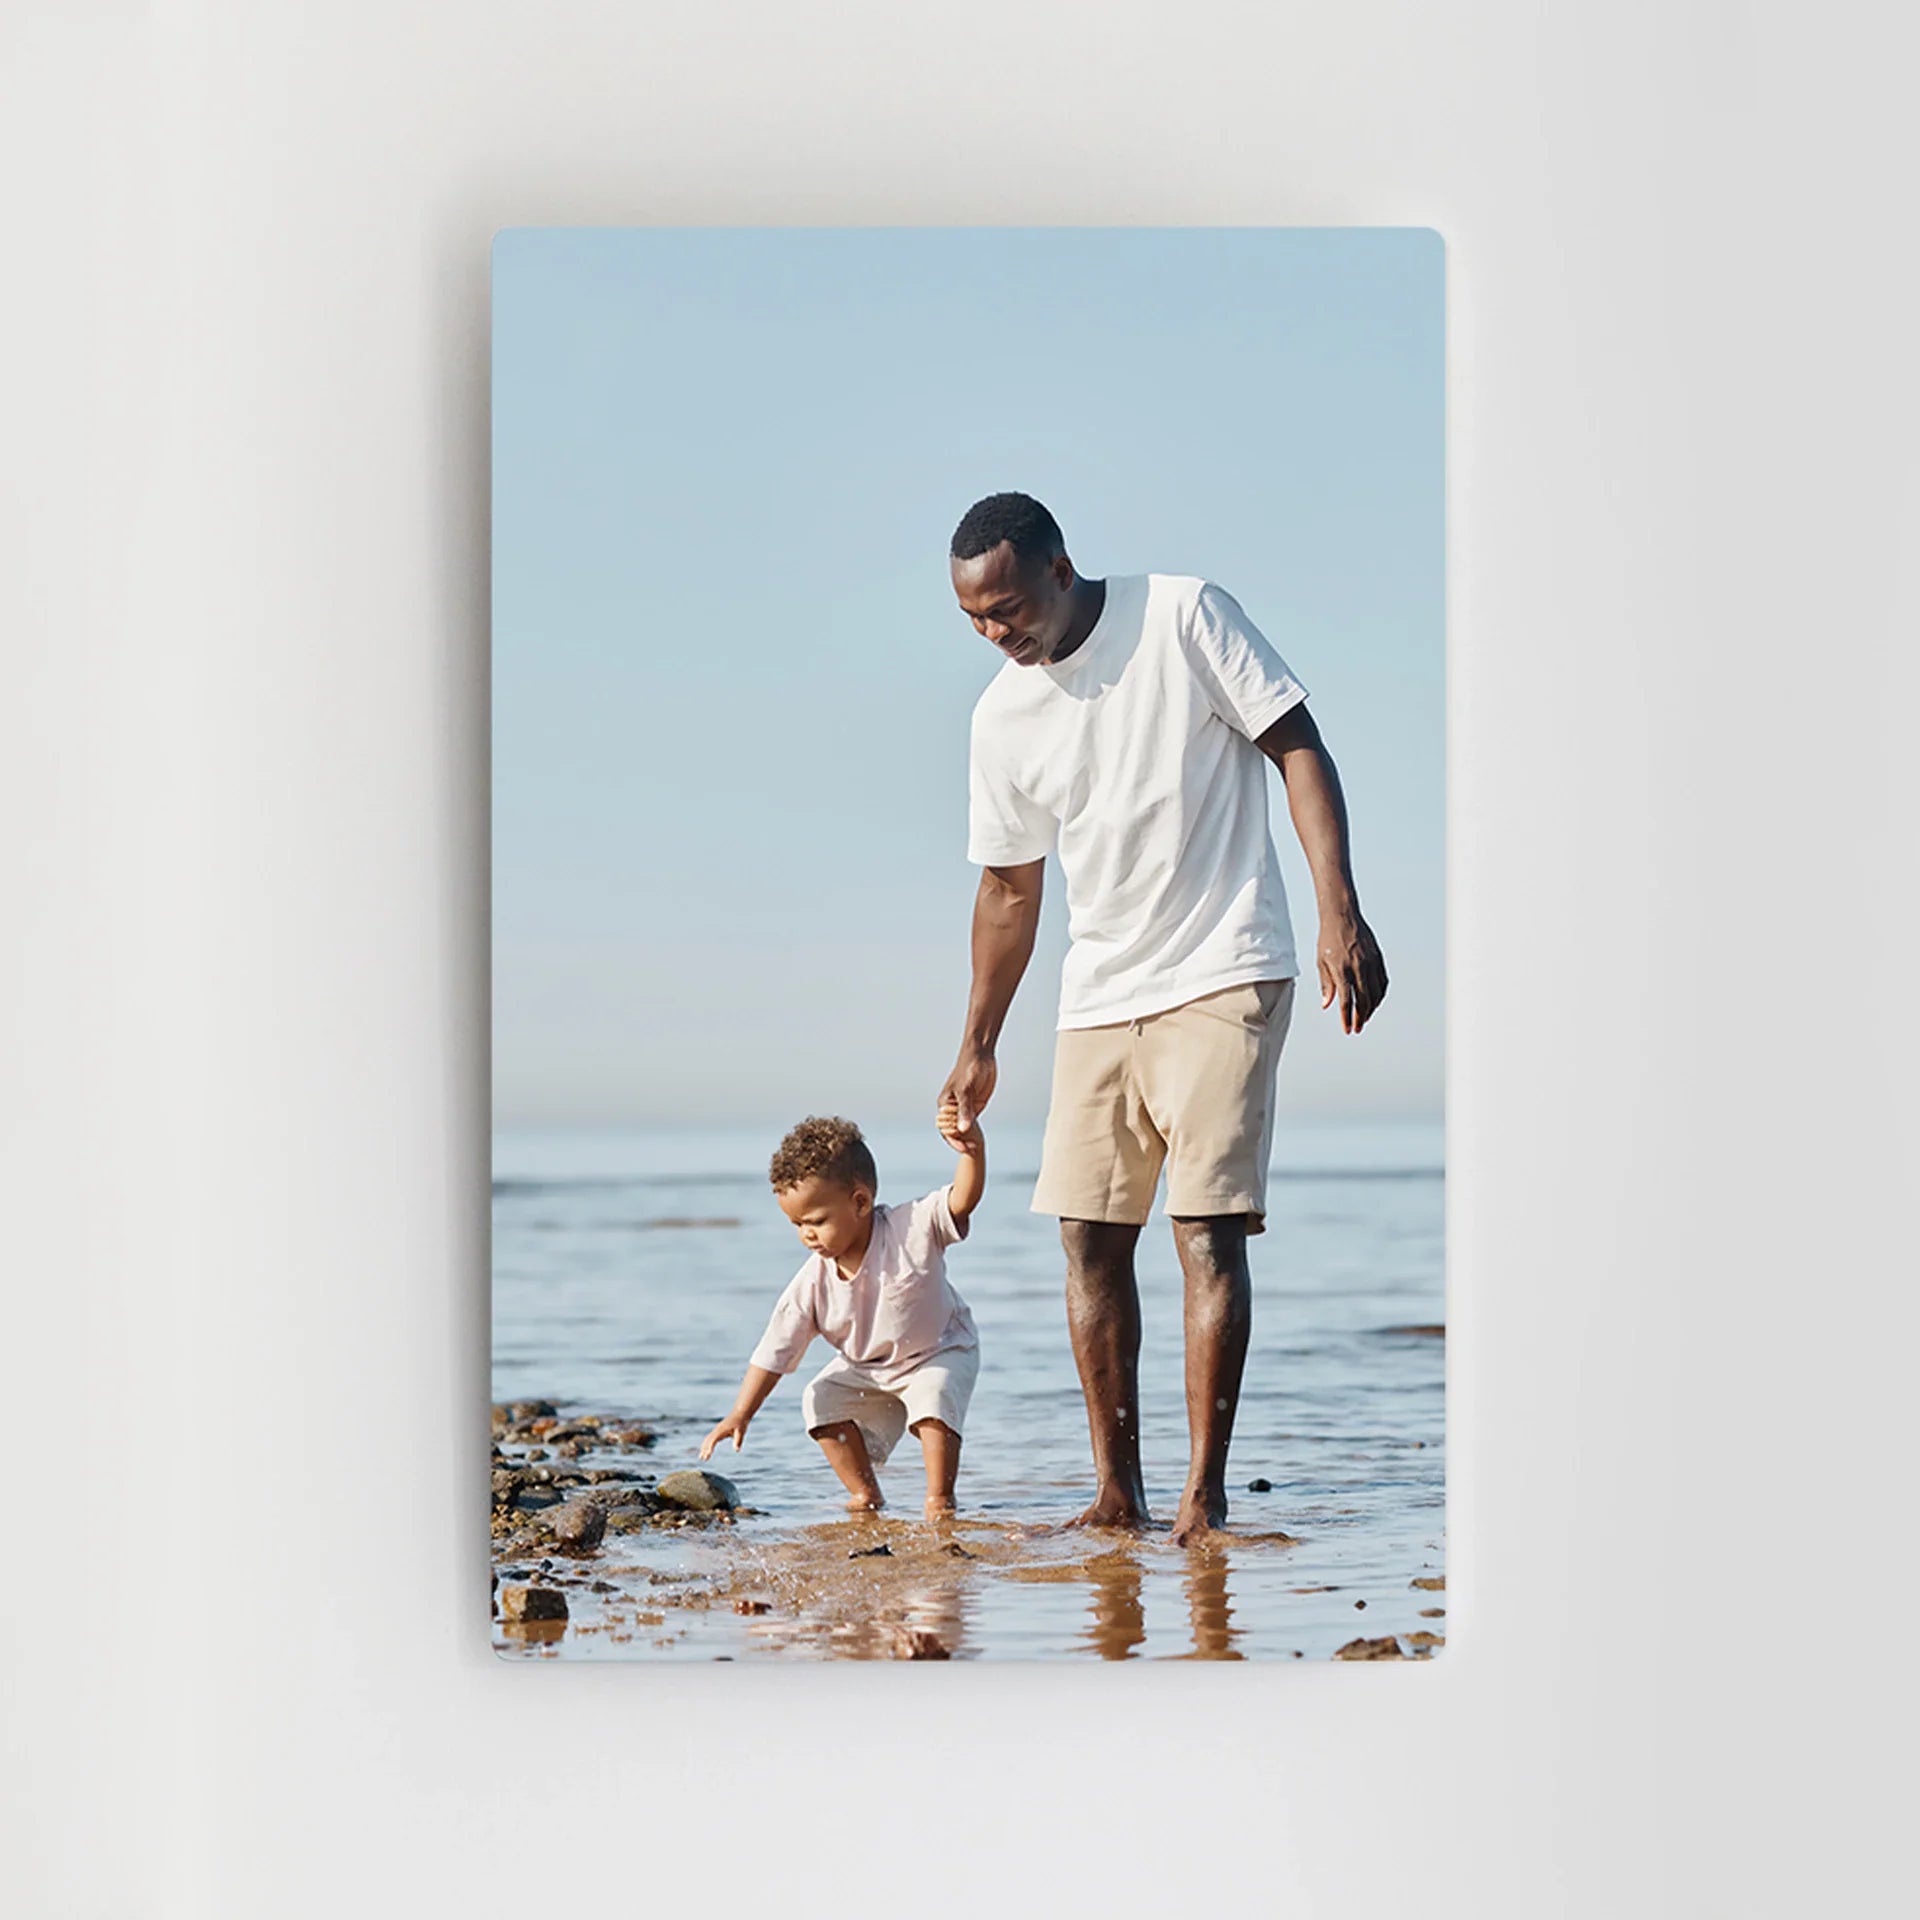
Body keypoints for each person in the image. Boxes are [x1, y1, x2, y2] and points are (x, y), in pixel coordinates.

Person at [939, 491, 1388, 1545]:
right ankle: (1116, 1493)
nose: (996, 635)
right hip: (1100, 991)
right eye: (973, 621)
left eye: (1007, 609)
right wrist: (978, 1042)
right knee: (1088, 1241)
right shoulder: (1000, 716)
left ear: (1060, 570)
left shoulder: (1183, 615)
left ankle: (1204, 1496)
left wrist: (1339, 912)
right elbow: (1009, 891)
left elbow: (1298, 746)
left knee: (1205, 1232)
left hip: (1227, 962)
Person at [700, 1111, 985, 1523]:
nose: (806, 1235)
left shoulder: (912, 1228)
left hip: (940, 1349)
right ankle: (865, 1493)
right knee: (820, 1398)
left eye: (816, 1221)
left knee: (934, 1396)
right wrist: (740, 1413)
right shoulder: (811, 1284)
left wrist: (973, 1149)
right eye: (796, 1224)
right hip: (867, 1367)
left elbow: (962, 1197)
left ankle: (940, 1499)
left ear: (860, 1202)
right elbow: (774, 1352)